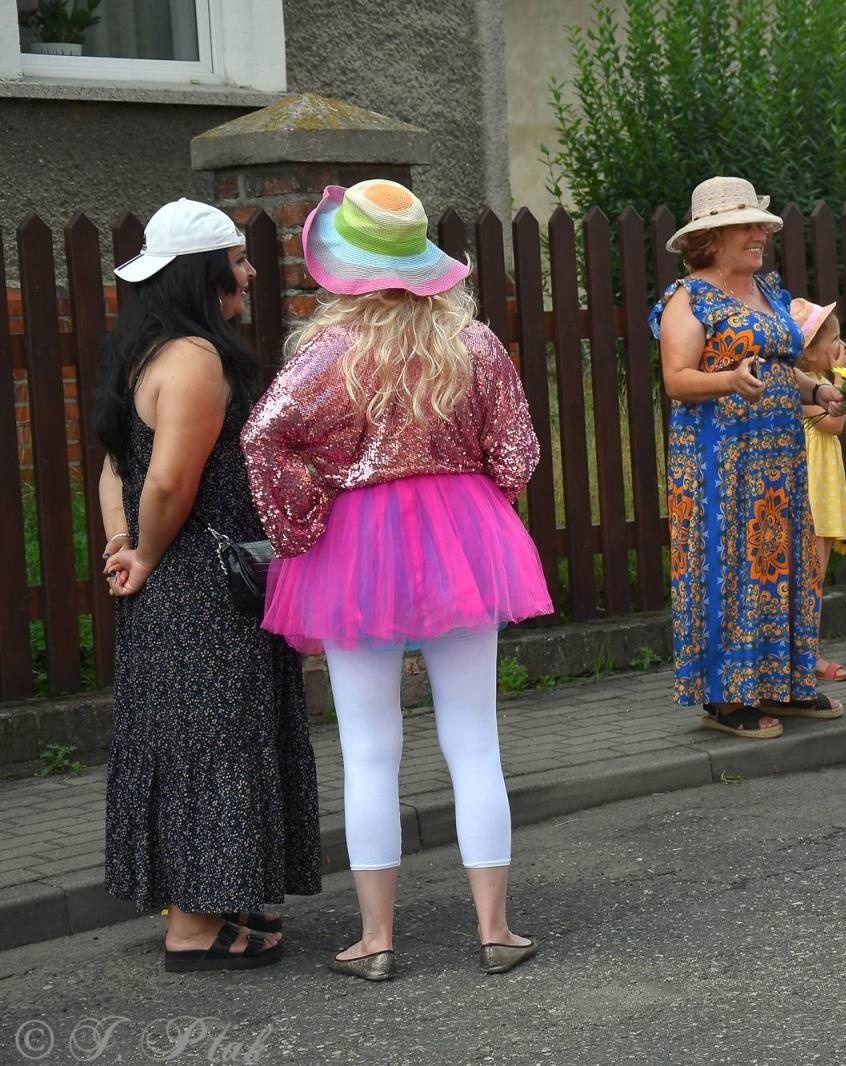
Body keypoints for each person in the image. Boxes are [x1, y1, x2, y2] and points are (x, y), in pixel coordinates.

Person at [241, 179, 553, 980]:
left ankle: (376, 941)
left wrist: (303, 525)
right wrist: (482, 511)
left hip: (356, 544)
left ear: (342, 265)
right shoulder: (474, 346)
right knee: (474, 742)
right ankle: (495, 929)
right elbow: (517, 454)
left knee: (369, 751)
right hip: (464, 532)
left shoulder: (328, 353)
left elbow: (265, 439)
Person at [94, 197, 321, 973]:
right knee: (215, 741)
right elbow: (165, 484)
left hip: (178, 579)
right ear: (203, 274)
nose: (251, 273)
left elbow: (111, 469)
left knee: (194, 738)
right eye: (238, 262)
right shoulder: (194, 359)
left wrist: (122, 542)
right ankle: (193, 927)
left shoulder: (145, 350)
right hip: (201, 584)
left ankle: (219, 899)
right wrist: (148, 551)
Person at [649, 175, 845, 739]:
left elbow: (781, 365)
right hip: (720, 462)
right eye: (748, 226)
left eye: (761, 225)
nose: (761, 234)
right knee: (729, 565)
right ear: (712, 237)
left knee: (782, 564)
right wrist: (728, 378)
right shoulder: (691, 297)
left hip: (779, 460)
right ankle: (725, 699)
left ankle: (783, 684)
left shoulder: (768, 291)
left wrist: (814, 391)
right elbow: (678, 379)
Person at [790, 296, 846, 682]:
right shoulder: (809, 388)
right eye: (833, 340)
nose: (841, 346)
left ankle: (806, 651)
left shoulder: (820, 382)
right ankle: (805, 655)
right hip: (811, 489)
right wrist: (843, 378)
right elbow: (833, 424)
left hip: (825, 486)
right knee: (809, 574)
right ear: (810, 355)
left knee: (817, 572)